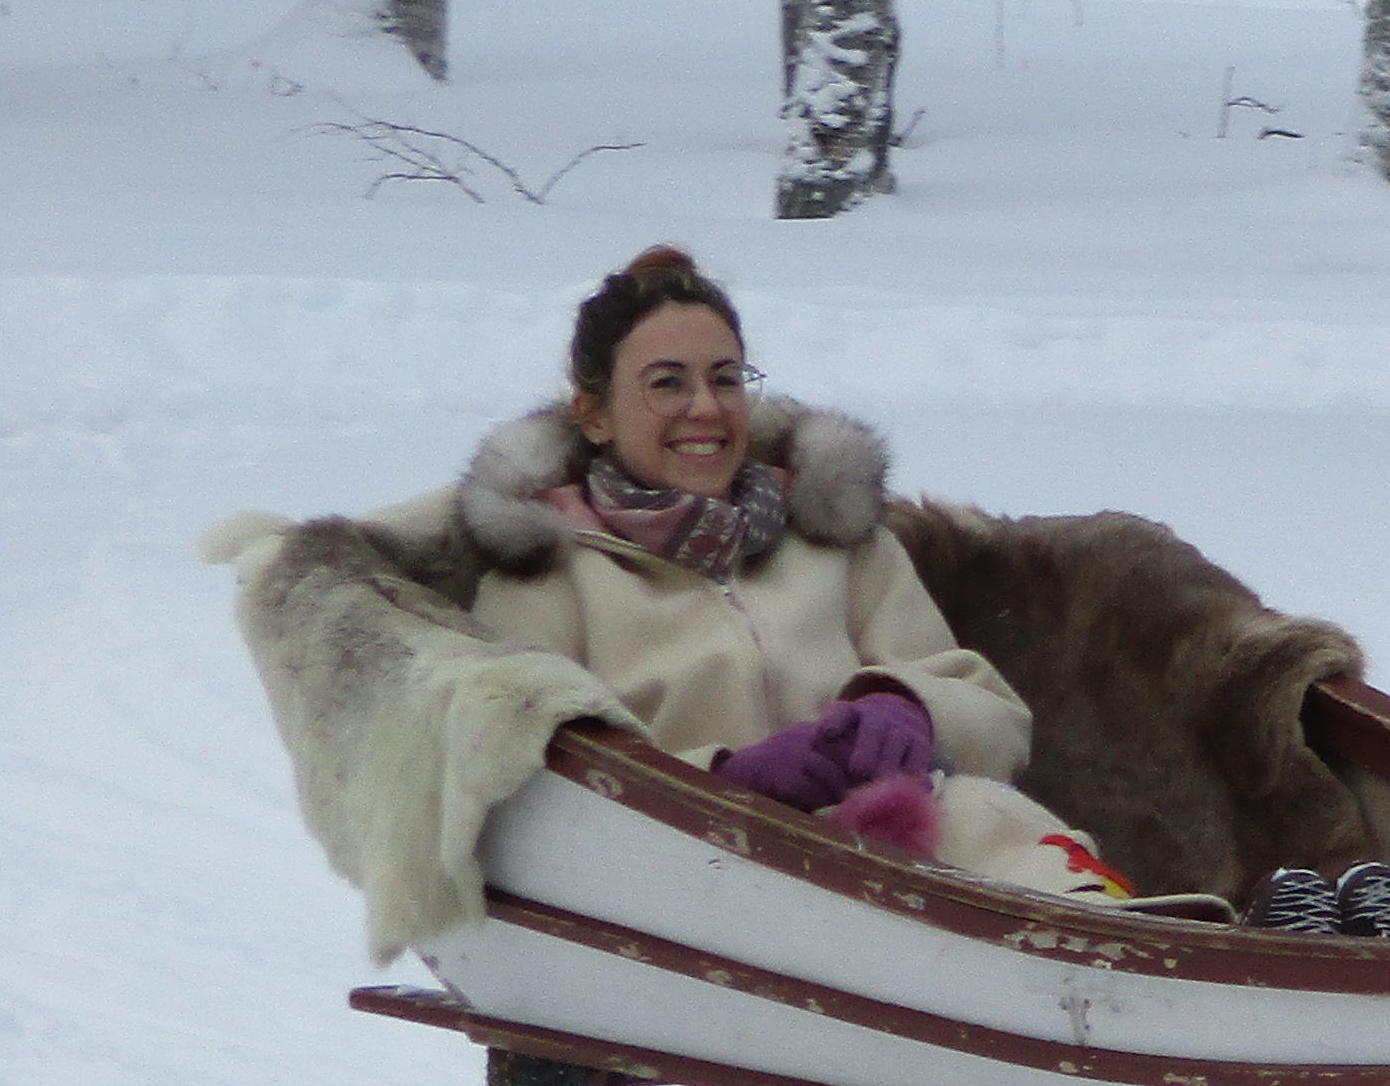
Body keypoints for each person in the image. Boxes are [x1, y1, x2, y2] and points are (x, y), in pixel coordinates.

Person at [459, 244, 1136, 904]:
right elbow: (530, 780)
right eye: (668, 383)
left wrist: (911, 707)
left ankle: (1129, 940)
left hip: (904, 862)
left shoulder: (830, 540)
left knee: (982, 811)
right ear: (595, 414)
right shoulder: (548, 573)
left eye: (725, 378)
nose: (705, 407)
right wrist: (726, 779)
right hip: (701, 895)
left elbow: (995, 716)